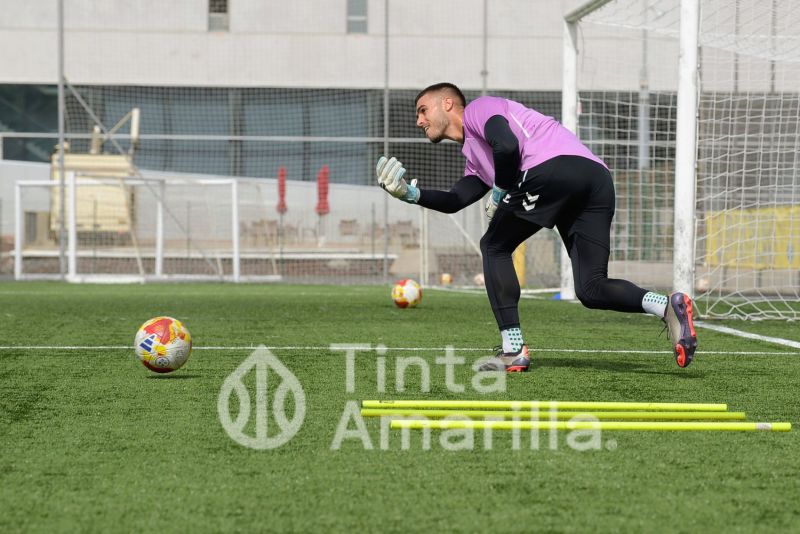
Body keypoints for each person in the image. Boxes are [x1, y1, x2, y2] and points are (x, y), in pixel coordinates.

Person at [375, 82, 698, 372]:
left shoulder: (480, 108)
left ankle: (513, 348)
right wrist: (411, 194)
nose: (419, 121)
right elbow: (457, 198)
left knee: (494, 246)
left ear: (447, 104)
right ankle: (665, 305)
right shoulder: (474, 154)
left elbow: (508, 147)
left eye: (422, 110)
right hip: (595, 179)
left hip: (553, 169)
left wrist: (501, 191)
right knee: (590, 288)